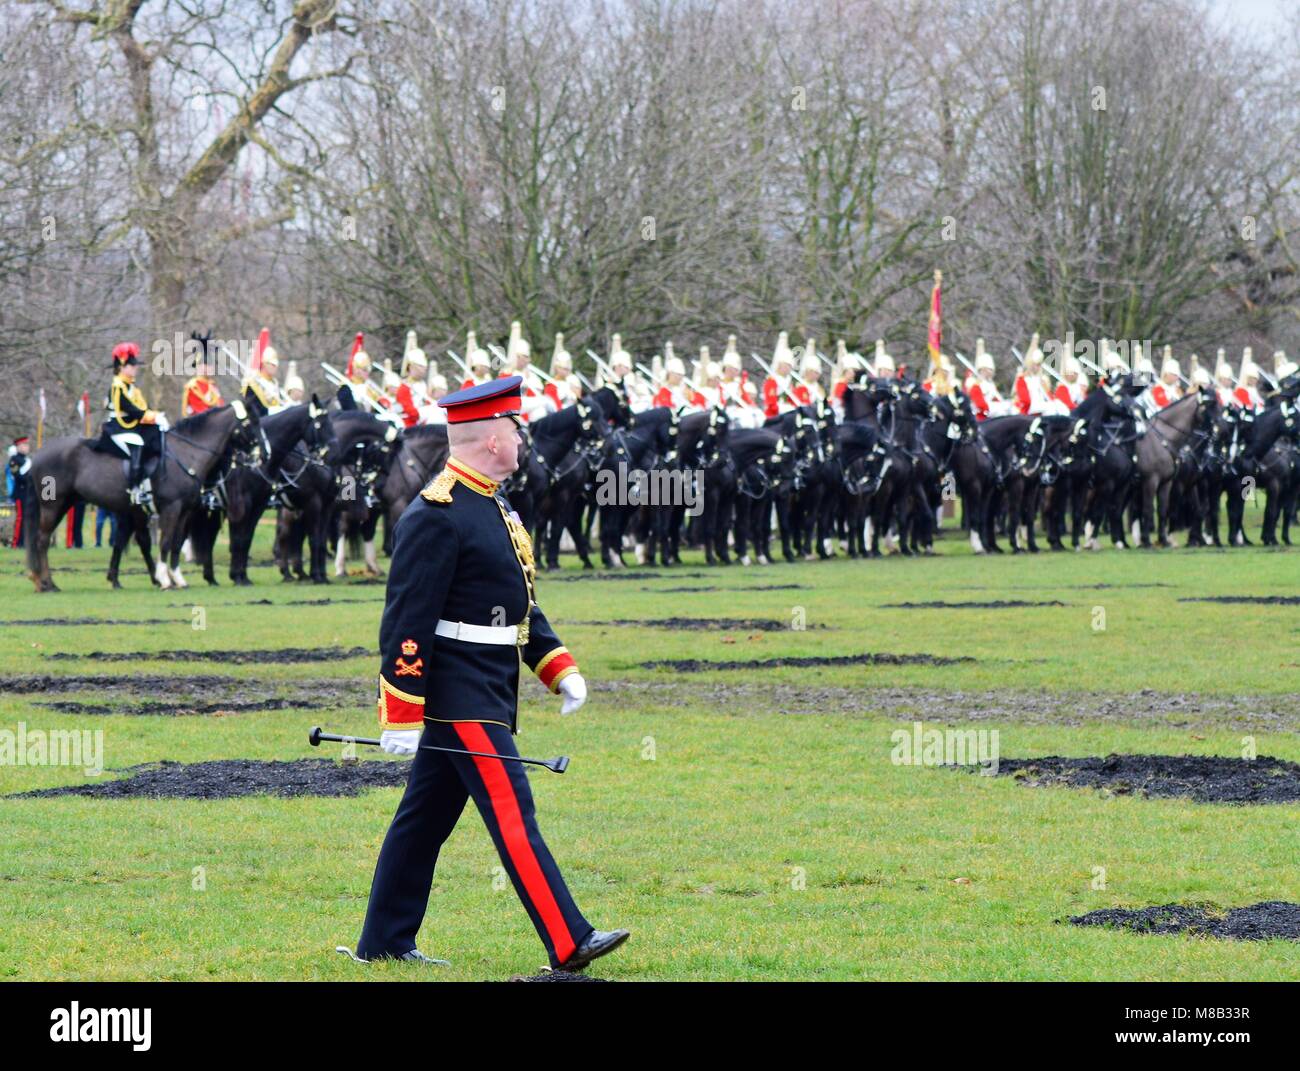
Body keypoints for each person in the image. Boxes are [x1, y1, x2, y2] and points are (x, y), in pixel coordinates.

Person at [345, 374, 628, 972]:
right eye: (514, 432)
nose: (522, 442)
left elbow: (517, 604)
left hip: (490, 685)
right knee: (511, 810)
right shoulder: (436, 513)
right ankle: (569, 939)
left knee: (421, 822)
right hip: (456, 694)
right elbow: (406, 621)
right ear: (493, 440)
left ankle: (384, 942)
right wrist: (401, 709)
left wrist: (558, 668)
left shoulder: (493, 506)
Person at [102, 342, 167, 510]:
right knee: (137, 443)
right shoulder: (118, 386)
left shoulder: (131, 387)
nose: (135, 368)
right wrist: (153, 417)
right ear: (122, 367)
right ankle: (134, 488)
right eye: (131, 366)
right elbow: (131, 410)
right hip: (120, 426)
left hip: (132, 425)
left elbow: (142, 408)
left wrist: (155, 416)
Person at [395, 331, 430, 427]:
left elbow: (427, 402)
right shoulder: (404, 387)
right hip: (409, 426)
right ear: (410, 367)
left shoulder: (423, 384)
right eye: (420, 367)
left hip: (424, 423)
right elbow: (409, 410)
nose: (423, 370)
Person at [183, 342, 223, 416]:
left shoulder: (211, 385)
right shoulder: (193, 387)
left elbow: (220, 405)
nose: (212, 367)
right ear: (200, 367)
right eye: (209, 365)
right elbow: (200, 412)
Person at [762, 332, 797, 417]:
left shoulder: (789, 381)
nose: (788, 368)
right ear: (779, 365)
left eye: (789, 366)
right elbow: (771, 402)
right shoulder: (772, 380)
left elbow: (792, 399)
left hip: (788, 412)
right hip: (773, 414)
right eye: (786, 365)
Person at [544, 334, 581, 410]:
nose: (565, 371)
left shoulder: (574, 381)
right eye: (562, 368)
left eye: (566, 369)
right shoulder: (551, 384)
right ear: (557, 368)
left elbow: (579, 400)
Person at [6, 436, 32, 547]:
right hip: (20, 493)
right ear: (19, 446)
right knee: (20, 518)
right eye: (24, 445)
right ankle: (16, 543)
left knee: (28, 518)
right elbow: (17, 477)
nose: (27, 447)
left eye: (27, 445)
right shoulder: (14, 460)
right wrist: (31, 479)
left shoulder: (28, 460)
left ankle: (25, 542)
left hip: (29, 493)